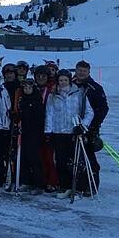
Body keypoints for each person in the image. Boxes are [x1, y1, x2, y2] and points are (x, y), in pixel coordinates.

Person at [46, 69, 94, 199]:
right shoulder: (53, 95)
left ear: (69, 80)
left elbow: (90, 112)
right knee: (60, 162)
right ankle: (65, 186)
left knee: (76, 162)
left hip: (74, 133)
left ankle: (78, 188)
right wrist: (48, 132)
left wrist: (82, 126)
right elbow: (49, 114)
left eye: (65, 80)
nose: (62, 82)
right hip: (58, 132)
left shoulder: (79, 93)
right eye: (60, 80)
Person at [73, 60, 109, 190]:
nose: (81, 73)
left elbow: (103, 109)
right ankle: (75, 184)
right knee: (74, 157)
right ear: (76, 70)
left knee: (88, 158)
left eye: (84, 71)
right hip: (72, 127)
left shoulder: (95, 88)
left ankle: (91, 186)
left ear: (88, 72)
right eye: (79, 70)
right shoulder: (70, 85)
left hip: (89, 129)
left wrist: (93, 127)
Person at [18, 78, 45, 194]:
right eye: (25, 88)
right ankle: (26, 181)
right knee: (24, 157)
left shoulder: (37, 100)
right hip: (23, 133)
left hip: (34, 134)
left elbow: (39, 118)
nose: (27, 90)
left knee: (34, 158)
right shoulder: (22, 100)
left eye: (29, 87)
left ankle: (38, 184)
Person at [34, 65, 58, 193]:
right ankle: (41, 180)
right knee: (38, 156)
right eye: (38, 76)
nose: (41, 78)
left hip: (50, 127)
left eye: (43, 76)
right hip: (36, 127)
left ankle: (52, 181)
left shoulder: (52, 89)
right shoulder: (34, 89)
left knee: (49, 156)